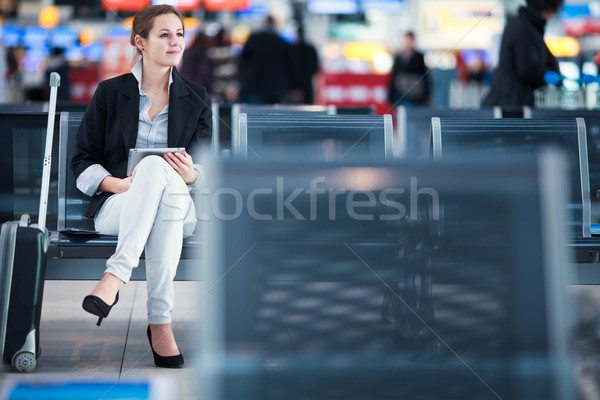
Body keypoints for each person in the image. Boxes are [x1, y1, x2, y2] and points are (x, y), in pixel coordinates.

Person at [71, 4, 212, 368]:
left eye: (179, 34)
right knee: (152, 173)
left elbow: (208, 168)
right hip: (119, 205)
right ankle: (160, 323)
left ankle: (115, 276)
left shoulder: (196, 97)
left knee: (158, 172)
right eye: (164, 34)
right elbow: (82, 160)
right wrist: (112, 183)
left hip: (179, 205)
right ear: (141, 42)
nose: (175, 41)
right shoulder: (109, 93)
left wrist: (192, 174)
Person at [483, 0, 563, 107]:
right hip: (510, 104)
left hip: (508, 100)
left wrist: (556, 76)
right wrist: (547, 75)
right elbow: (527, 68)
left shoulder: (527, 26)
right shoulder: (525, 28)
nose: (553, 16)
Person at [238, 15, 294, 104]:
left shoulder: (254, 39)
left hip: (255, 84)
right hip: (277, 87)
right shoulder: (282, 42)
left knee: (253, 114)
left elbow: (242, 60)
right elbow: (290, 66)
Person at [387, 31, 430, 107]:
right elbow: (393, 77)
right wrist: (390, 96)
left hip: (416, 96)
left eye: (410, 40)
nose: (408, 43)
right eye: (406, 40)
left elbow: (425, 76)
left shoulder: (419, 57)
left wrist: (427, 94)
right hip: (401, 95)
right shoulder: (399, 57)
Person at [291, 27, 319, 104]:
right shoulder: (310, 48)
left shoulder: (293, 48)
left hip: (295, 83)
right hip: (307, 81)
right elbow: (315, 66)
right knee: (308, 103)